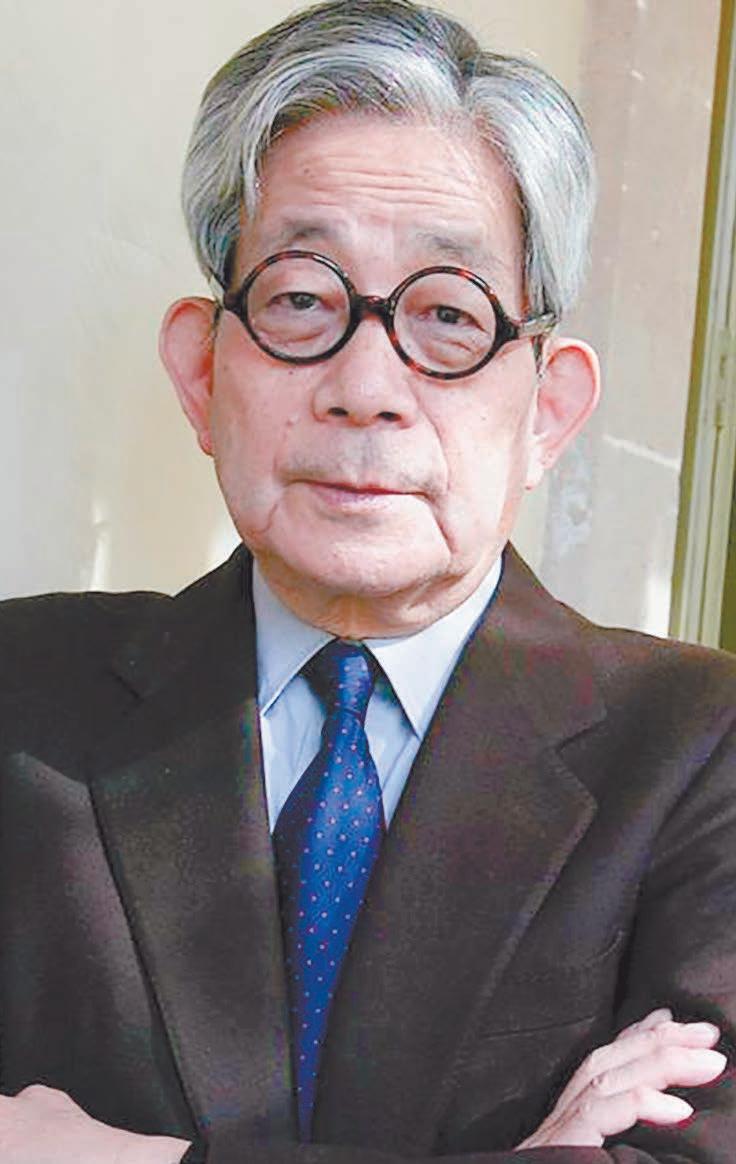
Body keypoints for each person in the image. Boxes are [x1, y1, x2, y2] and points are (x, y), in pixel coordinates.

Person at [1, 1, 735, 1161]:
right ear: (201, 375)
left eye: (447, 316)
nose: (366, 387)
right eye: (301, 299)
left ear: (548, 412)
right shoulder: (20, 697)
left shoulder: (700, 747)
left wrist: (134, 1160)